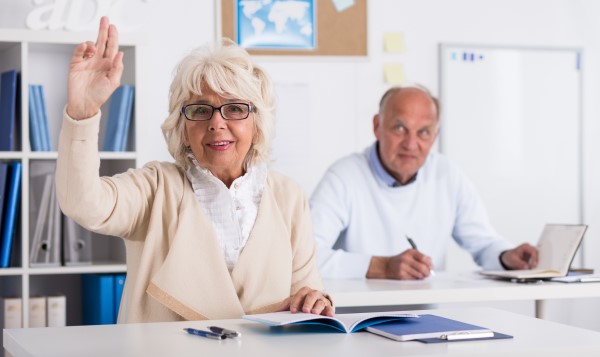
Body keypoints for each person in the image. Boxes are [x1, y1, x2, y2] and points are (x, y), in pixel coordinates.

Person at [56, 17, 333, 323]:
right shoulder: (154, 188)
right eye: (200, 110)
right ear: (183, 126)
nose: (216, 122)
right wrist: (82, 113)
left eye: (235, 108)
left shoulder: (289, 196)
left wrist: (315, 301)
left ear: (257, 123)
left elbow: (307, 295)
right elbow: (82, 203)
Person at [310, 85, 539, 280]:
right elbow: (305, 258)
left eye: (423, 132)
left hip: (425, 318)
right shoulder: (343, 176)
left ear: (435, 136)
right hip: (355, 320)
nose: (411, 144)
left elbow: (482, 242)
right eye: (400, 128)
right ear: (377, 126)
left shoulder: (446, 174)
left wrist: (505, 256)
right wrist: (381, 266)